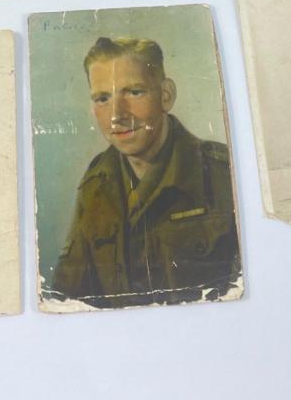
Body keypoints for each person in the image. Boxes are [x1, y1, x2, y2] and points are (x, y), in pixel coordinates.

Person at [49, 36, 241, 307]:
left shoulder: (224, 175)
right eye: (102, 98)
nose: (116, 115)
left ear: (166, 95)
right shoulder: (96, 185)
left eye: (134, 92)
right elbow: (68, 298)